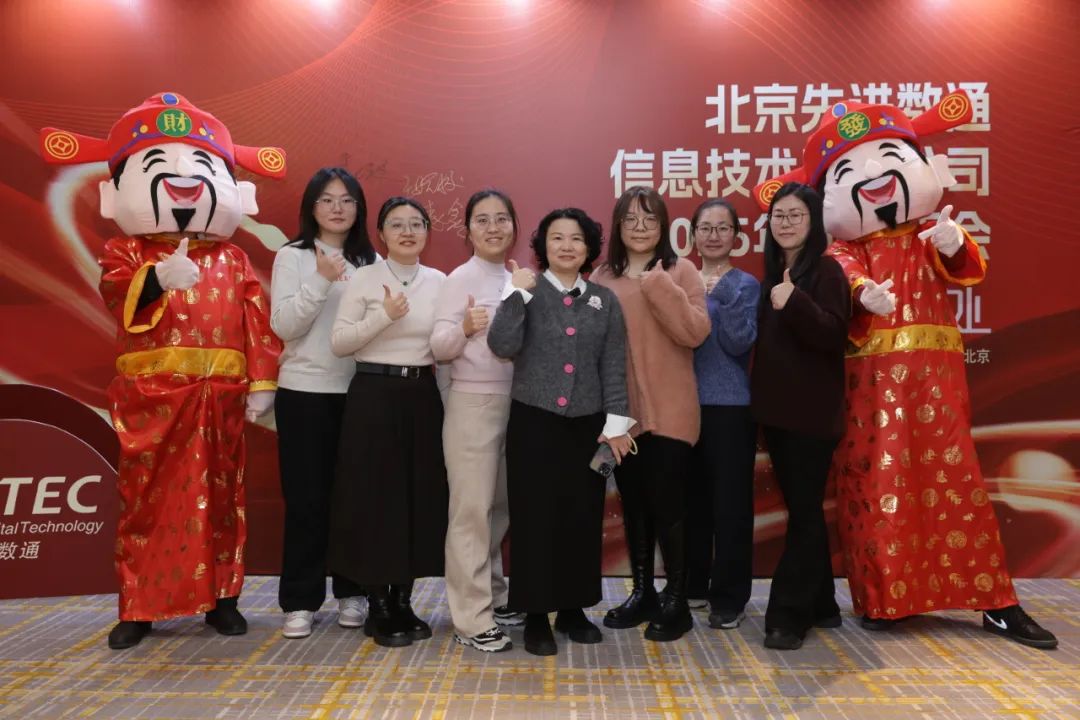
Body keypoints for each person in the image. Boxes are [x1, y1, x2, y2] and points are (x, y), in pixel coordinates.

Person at [752, 95, 1056, 648]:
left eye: (890, 155)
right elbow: (845, 286)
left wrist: (953, 242)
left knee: (957, 481)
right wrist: (864, 292)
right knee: (877, 484)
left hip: (936, 382)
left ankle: (996, 601)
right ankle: (887, 597)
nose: (873, 174)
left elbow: (965, 268)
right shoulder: (839, 254)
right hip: (866, 388)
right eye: (849, 170)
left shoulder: (928, 233)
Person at [40, 92, 285, 650]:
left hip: (219, 397)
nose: (184, 182)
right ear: (114, 194)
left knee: (222, 497)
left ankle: (222, 598)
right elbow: (116, 295)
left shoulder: (233, 259)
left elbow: (257, 322)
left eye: (202, 167)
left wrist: (262, 383)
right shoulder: (125, 251)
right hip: (152, 398)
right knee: (147, 500)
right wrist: (155, 280)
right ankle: (139, 606)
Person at [487, 207, 634, 656]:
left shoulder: (604, 300)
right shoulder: (528, 290)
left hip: (588, 426)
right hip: (534, 421)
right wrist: (514, 294)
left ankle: (573, 609)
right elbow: (502, 344)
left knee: (581, 517)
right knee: (534, 518)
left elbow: (613, 365)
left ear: (589, 249)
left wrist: (616, 423)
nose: (567, 246)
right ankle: (535, 613)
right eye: (557, 238)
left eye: (576, 239)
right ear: (543, 246)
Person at [328, 196, 448, 648]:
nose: (407, 232)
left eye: (416, 224)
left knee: (417, 498)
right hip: (373, 395)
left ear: (427, 232)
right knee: (375, 500)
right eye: (396, 224)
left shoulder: (439, 281)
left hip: (421, 395)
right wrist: (384, 316)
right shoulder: (364, 278)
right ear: (381, 234)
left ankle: (403, 601)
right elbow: (340, 343)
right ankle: (378, 605)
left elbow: (444, 342)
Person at [591, 187, 710, 643]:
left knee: (669, 507)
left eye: (649, 219)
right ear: (618, 226)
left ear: (664, 226)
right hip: (622, 416)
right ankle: (642, 592)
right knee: (635, 506)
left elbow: (695, 332)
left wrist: (658, 286)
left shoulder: (681, 271)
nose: (640, 227)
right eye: (630, 219)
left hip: (672, 410)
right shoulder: (602, 278)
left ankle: (676, 600)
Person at [270, 167, 378, 639]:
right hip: (304, 391)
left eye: (347, 200)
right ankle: (300, 600)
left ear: (359, 209)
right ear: (311, 207)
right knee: (306, 500)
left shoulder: (372, 261)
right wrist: (320, 279)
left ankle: (353, 592)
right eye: (327, 199)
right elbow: (284, 326)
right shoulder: (292, 256)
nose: (338, 208)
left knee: (355, 499)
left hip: (360, 392)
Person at [750, 182, 849, 650]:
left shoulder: (826, 270)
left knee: (805, 512)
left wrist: (794, 301)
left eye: (795, 215)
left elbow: (833, 333)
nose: (785, 223)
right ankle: (823, 604)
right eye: (778, 216)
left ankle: (788, 615)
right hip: (778, 415)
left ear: (814, 222)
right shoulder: (773, 275)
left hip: (811, 417)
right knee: (804, 508)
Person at [430, 189, 520, 653]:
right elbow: (438, 346)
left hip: (517, 404)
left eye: (501, 218)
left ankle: (494, 596)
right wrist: (464, 328)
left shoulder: (519, 277)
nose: (493, 227)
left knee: (499, 508)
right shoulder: (459, 279)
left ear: (514, 227)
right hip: (472, 404)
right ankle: (471, 618)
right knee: (471, 510)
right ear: (467, 230)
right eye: (482, 220)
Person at [682, 199, 760, 630]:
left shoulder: (745, 285)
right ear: (692, 234)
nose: (713, 236)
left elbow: (738, 343)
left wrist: (724, 296)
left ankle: (729, 597)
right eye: (705, 228)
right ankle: (692, 585)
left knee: (730, 507)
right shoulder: (679, 279)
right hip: (683, 405)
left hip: (730, 409)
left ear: (736, 236)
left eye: (722, 228)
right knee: (691, 503)